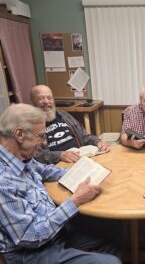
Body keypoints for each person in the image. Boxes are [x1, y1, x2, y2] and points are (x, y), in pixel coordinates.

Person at [0, 103, 122, 264]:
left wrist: (87, 173)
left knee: (113, 226)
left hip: (53, 230)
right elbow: (30, 236)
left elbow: (46, 170)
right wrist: (75, 200)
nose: (44, 143)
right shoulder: (4, 180)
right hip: (31, 252)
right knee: (111, 262)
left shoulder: (20, 157)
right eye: (41, 136)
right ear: (19, 134)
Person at [30, 85, 109, 164]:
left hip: (80, 158)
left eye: (49, 98)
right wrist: (60, 155)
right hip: (57, 165)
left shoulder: (64, 115)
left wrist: (97, 142)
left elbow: (84, 136)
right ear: (32, 101)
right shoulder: (30, 125)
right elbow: (36, 155)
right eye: (41, 98)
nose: (46, 102)